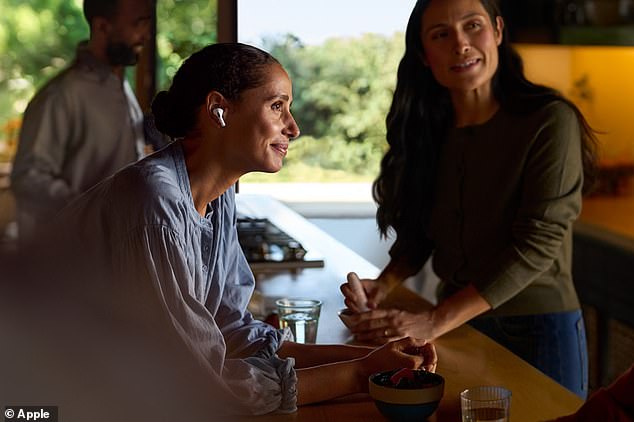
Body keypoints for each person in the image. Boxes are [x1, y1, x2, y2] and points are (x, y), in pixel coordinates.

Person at [44, 43, 437, 416]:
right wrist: (360, 374)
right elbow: (199, 384)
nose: (294, 127)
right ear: (219, 110)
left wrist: (372, 359)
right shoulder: (155, 204)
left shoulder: (219, 194)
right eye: (277, 106)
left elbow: (231, 331)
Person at [341, 0, 597, 400]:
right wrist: (385, 283)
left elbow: (538, 244)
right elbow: (424, 228)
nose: (460, 44)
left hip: (540, 329)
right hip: (459, 329)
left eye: (472, 26)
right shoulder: (429, 129)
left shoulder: (550, 120)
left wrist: (434, 320)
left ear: (496, 30)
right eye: (441, 34)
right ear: (425, 55)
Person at [10, 0, 152, 243]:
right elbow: (27, 177)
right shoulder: (61, 95)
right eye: (138, 24)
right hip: (72, 260)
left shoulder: (122, 85)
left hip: (117, 251)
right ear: (102, 26)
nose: (146, 35)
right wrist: (92, 210)